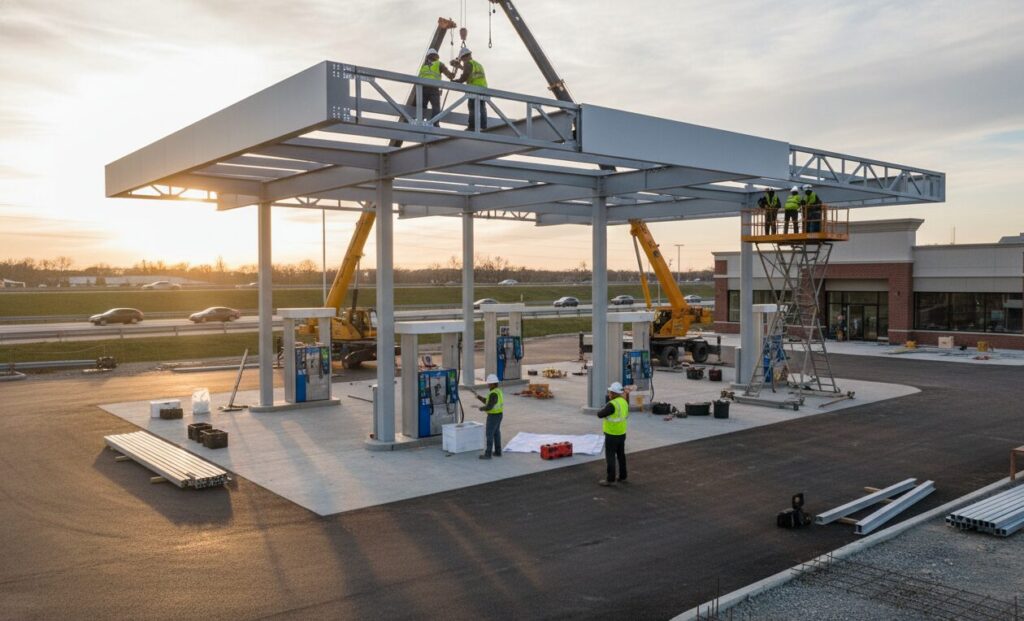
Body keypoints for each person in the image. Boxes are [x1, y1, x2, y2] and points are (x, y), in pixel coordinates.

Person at [596, 382, 629, 486]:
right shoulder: (624, 402)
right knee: (621, 456)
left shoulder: (612, 404)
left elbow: (600, 414)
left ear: (614, 393)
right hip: (622, 433)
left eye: (610, 392)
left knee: (610, 457)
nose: (609, 394)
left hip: (611, 435)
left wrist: (605, 406)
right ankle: (623, 476)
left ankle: (610, 479)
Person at [451, 47, 488, 130]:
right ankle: (483, 126)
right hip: (483, 88)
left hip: (474, 88)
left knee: (472, 107)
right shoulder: (477, 64)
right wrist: (459, 66)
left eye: (462, 59)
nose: (463, 61)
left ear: (464, 57)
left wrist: (457, 81)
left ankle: (472, 126)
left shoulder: (468, 64)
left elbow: (465, 75)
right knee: (482, 108)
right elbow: (468, 71)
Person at [417, 48, 456, 126]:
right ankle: (435, 123)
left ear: (428, 57)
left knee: (422, 107)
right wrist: (455, 69)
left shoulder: (423, 67)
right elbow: (450, 76)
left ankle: (420, 123)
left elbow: (418, 79)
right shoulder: (439, 64)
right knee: (436, 107)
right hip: (433, 89)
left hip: (423, 89)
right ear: (436, 56)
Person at [476, 373, 503, 459]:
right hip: (499, 415)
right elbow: (489, 402)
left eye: (488, 383)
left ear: (492, 383)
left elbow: (489, 406)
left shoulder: (493, 394)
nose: (488, 384)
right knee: (496, 433)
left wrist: (481, 408)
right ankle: (498, 452)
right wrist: (479, 397)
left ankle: (488, 454)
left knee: (489, 434)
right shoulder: (497, 392)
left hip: (493, 416)